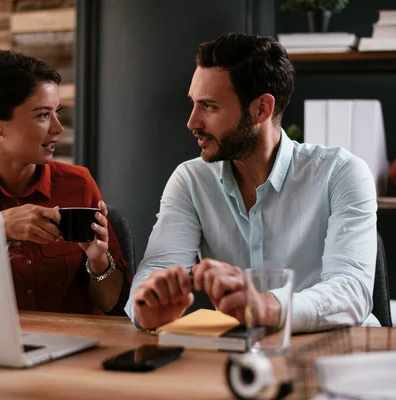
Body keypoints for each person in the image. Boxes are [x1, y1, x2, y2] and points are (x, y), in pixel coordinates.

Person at [125, 33, 378, 332]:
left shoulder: (341, 173)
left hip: (334, 355)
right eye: (194, 103)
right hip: (240, 355)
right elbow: (155, 270)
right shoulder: (190, 181)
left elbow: (352, 291)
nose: (192, 122)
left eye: (209, 106)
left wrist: (266, 307)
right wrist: (147, 307)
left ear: (261, 109)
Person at [0, 50, 129, 315]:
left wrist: (98, 259)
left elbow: (111, 303)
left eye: (57, 112)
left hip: (73, 346)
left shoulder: (78, 185)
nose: (58, 128)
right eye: (42, 115)